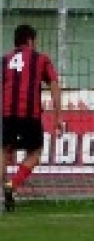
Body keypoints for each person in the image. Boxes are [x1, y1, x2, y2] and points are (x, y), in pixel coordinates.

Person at [1, 25, 62, 212]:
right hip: (30, 115)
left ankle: (4, 190)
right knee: (35, 153)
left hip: (7, 115)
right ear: (29, 40)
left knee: (3, 151)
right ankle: (13, 184)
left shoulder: (4, 60)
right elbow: (54, 86)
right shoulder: (41, 59)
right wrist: (58, 116)